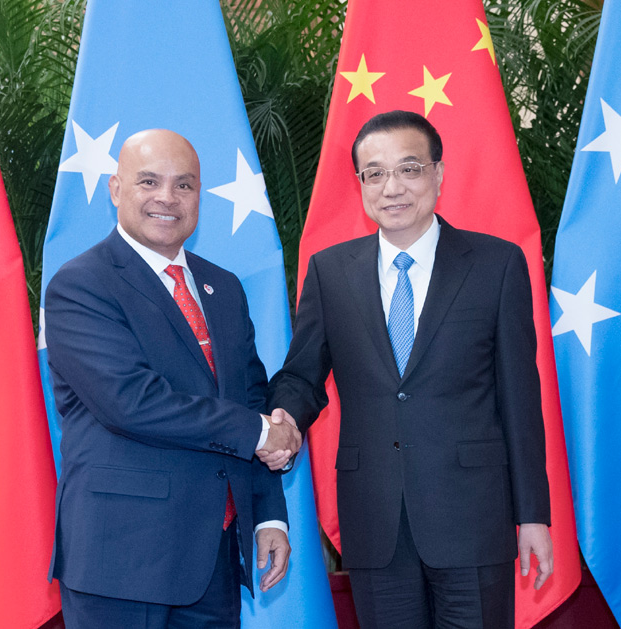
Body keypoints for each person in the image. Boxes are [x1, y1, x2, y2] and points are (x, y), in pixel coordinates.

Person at [265, 110, 553, 628]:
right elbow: (301, 375)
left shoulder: (496, 264)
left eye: (408, 169)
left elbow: (520, 398)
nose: (391, 187)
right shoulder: (330, 272)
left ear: (438, 174)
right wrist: (283, 418)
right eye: (374, 173)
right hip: (375, 520)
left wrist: (532, 515)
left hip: (473, 518)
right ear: (360, 184)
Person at [44, 128, 301, 629]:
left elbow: (251, 398)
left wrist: (268, 513)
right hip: (121, 563)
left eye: (184, 185)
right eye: (149, 181)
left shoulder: (223, 286)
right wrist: (260, 433)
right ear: (116, 189)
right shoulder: (81, 285)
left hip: (213, 561)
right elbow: (131, 402)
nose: (167, 197)